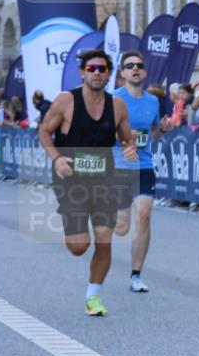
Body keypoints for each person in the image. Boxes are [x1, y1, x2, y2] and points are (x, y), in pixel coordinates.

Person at [37, 49, 138, 316]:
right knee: (79, 247)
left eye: (101, 69)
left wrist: (130, 148)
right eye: (91, 69)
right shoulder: (65, 101)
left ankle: (93, 297)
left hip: (105, 179)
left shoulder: (117, 106)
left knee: (104, 240)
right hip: (71, 180)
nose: (96, 73)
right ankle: (73, 225)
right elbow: (45, 132)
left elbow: (128, 139)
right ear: (82, 73)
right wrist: (57, 158)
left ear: (108, 74)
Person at [111, 50, 175, 293]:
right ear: (123, 73)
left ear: (145, 72)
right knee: (122, 227)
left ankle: (136, 275)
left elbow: (154, 134)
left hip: (144, 165)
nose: (135, 69)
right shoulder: (114, 99)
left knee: (145, 215)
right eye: (130, 66)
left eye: (139, 65)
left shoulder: (153, 102)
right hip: (118, 166)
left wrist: (164, 130)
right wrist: (124, 135)